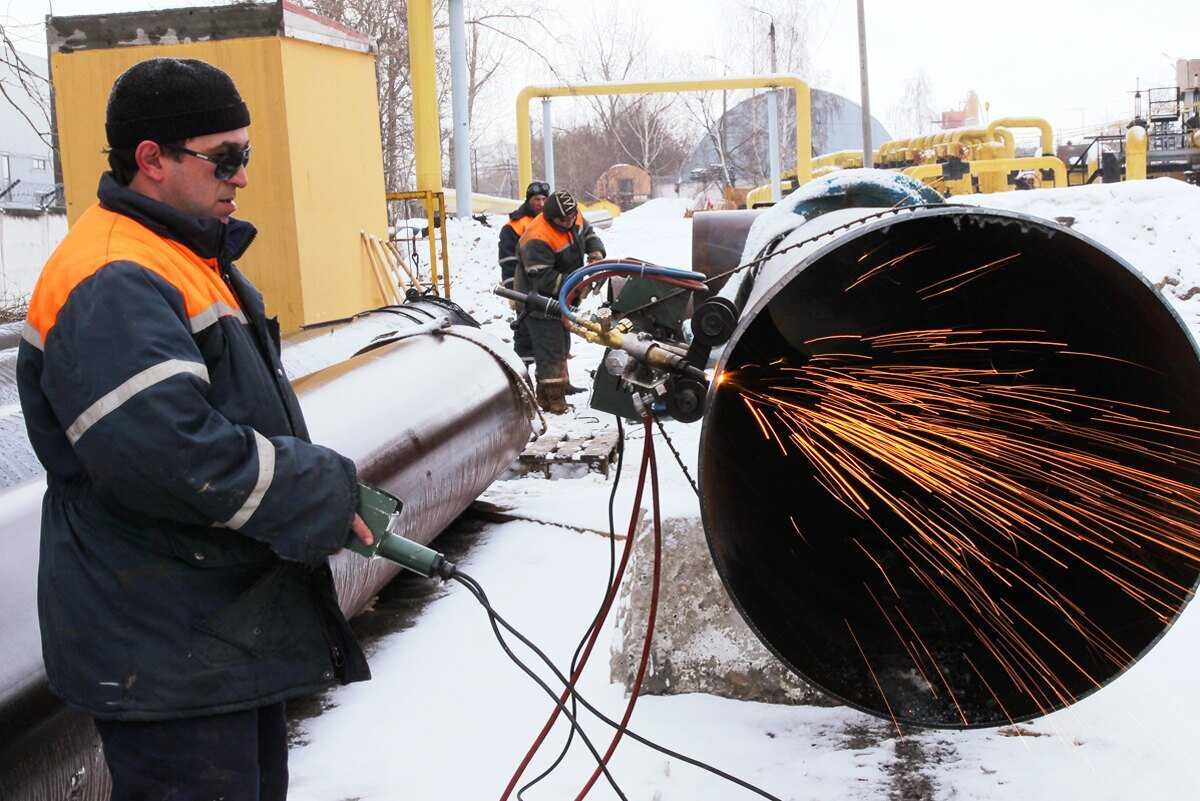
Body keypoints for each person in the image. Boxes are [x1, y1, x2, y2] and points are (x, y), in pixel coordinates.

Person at [17, 57, 375, 801]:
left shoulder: (177, 256)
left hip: (211, 633)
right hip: (165, 641)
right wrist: (315, 491)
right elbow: (171, 452)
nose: (241, 176)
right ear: (151, 159)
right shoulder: (112, 276)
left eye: (244, 155)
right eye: (226, 157)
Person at [515, 190, 605, 414]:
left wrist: (596, 253)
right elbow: (544, 278)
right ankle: (553, 401)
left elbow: (589, 233)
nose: (570, 222)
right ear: (550, 218)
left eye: (572, 217)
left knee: (562, 343)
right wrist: (577, 286)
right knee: (550, 347)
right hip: (538, 299)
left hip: (563, 295)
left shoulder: (573, 215)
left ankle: (555, 390)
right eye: (563, 221)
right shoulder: (536, 237)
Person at [498, 180, 549, 367]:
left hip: (549, 288)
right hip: (524, 288)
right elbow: (507, 260)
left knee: (553, 337)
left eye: (544, 199)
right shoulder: (515, 225)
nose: (541, 204)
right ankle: (524, 379)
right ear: (529, 200)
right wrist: (512, 290)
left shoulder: (552, 222)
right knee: (525, 335)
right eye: (537, 199)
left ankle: (554, 385)